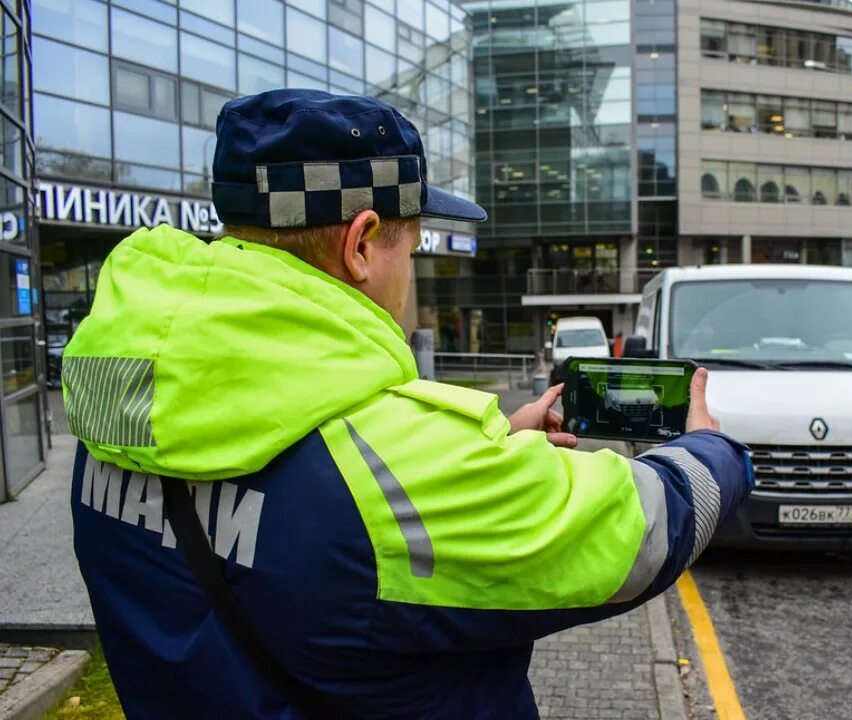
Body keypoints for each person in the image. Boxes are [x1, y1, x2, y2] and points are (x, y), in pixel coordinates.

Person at [63, 89, 752, 720]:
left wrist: (478, 450)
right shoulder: (397, 472)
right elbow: (643, 531)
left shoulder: (120, 408)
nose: (408, 272)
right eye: (411, 247)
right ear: (361, 244)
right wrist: (711, 450)